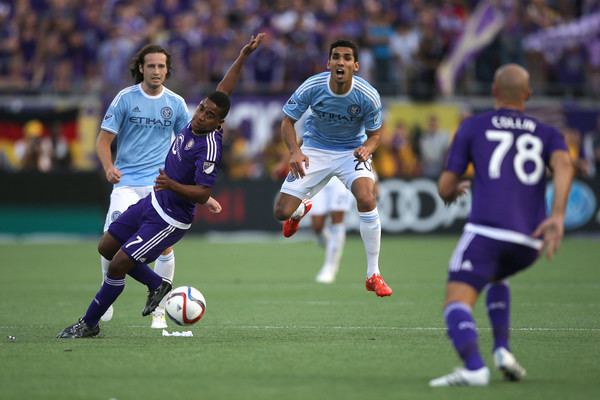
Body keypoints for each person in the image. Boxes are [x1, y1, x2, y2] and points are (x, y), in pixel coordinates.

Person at [57, 33, 265, 339]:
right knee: (106, 246)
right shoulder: (193, 118)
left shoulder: (209, 147)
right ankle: (157, 284)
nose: (201, 115)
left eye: (209, 115)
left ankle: (89, 323)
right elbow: (225, 89)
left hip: (171, 218)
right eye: (202, 108)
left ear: (218, 123)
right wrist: (243, 56)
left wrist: (171, 184)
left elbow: (203, 192)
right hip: (153, 200)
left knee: (118, 266)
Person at [429, 64, 573, 387]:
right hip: (529, 241)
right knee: (496, 275)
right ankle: (503, 350)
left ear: (493, 91)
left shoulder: (473, 126)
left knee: (456, 302)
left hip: (487, 230)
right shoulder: (548, 132)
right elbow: (564, 164)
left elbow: (445, 186)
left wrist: (453, 190)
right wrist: (559, 216)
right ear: (528, 94)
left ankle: (474, 368)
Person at [273, 39, 392, 297]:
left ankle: (374, 273)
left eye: (347, 58)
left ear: (356, 65)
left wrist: (367, 150)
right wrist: (295, 151)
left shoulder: (368, 95)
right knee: (281, 212)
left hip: (351, 152)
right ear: (328, 63)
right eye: (336, 57)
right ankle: (300, 208)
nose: (341, 62)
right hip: (315, 150)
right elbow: (287, 122)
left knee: (366, 197)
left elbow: (375, 134)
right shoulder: (313, 86)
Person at [96, 44, 190, 329]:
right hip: (126, 184)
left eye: (162, 66)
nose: (157, 71)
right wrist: (109, 167)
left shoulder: (176, 104)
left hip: (158, 187)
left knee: (163, 248)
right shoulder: (125, 98)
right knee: (110, 244)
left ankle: (160, 308)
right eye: (152, 66)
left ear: (167, 69)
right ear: (141, 68)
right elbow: (103, 140)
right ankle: (106, 300)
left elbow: (186, 145)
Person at [311, 176, 353, 284]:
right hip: (320, 175)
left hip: (340, 177)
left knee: (337, 218)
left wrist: (373, 177)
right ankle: (334, 247)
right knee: (317, 226)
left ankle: (330, 267)